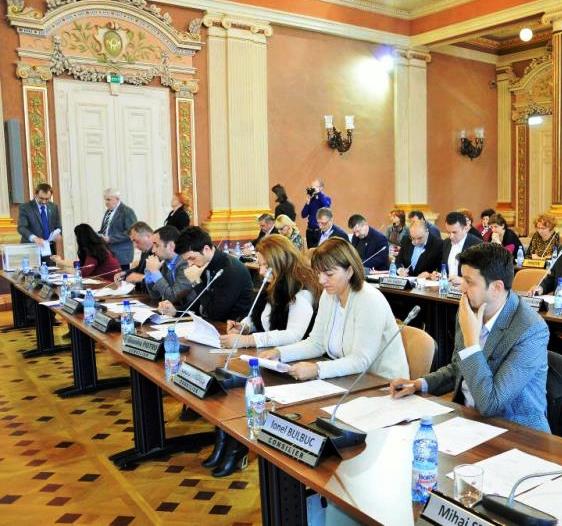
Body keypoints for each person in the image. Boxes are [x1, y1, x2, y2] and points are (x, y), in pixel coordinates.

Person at [390, 243, 550, 433]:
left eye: (469, 282)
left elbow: (491, 404)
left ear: (496, 287)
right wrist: (419, 384)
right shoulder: (469, 309)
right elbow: (459, 368)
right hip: (468, 420)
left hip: (516, 432)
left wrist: (472, 342)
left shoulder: (531, 330)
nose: (462, 288)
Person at [203, 235, 321, 478]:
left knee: (242, 389)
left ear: (281, 263)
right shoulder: (272, 286)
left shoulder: (300, 293)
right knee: (228, 379)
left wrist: (249, 340)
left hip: (292, 365)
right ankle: (224, 440)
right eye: (260, 264)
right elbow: (260, 316)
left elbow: (293, 335)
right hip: (269, 360)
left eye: (266, 265)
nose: (261, 271)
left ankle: (237, 448)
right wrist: (244, 326)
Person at [260, 238, 409, 381]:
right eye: (319, 273)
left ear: (349, 271)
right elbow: (316, 343)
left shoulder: (369, 299)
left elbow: (361, 360)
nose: (321, 280)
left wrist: (317, 369)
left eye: (329, 274)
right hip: (350, 378)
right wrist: (279, 353)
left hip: (383, 383)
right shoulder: (329, 295)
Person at [160, 227, 254, 322]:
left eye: (192, 258)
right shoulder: (205, 262)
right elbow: (201, 302)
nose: (190, 264)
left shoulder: (231, 270)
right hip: (211, 323)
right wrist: (176, 311)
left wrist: (196, 282)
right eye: (187, 260)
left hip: (230, 326)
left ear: (206, 249)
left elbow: (215, 314)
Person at [419, 211, 481, 285]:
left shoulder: (477, 245)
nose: (451, 236)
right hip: (447, 287)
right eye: (448, 232)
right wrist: (438, 275)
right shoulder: (446, 243)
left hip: (466, 289)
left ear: (465, 228)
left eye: (454, 232)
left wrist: (463, 280)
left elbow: (482, 277)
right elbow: (443, 268)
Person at [51, 223, 120, 279]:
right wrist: (60, 261)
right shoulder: (98, 247)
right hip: (107, 281)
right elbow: (81, 264)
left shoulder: (94, 251)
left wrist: (65, 271)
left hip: (110, 284)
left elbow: (83, 273)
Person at [145, 225, 192, 305]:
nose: (153, 250)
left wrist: (155, 272)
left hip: (188, 310)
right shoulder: (165, 262)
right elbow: (155, 295)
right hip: (174, 310)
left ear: (171, 246)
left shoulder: (186, 263)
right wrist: (149, 273)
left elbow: (173, 297)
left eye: (157, 245)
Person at [17, 182, 62, 260]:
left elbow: (58, 226)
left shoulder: (53, 207)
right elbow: (21, 227)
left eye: (47, 199)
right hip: (31, 248)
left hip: (49, 249)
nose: (44, 201)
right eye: (41, 198)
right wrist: (34, 238)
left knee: (51, 268)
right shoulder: (25, 207)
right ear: (36, 194)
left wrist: (59, 233)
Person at [98, 188, 137, 270]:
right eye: (105, 200)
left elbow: (131, 232)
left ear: (117, 199)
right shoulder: (108, 212)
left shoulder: (127, 211)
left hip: (122, 254)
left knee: (122, 277)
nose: (106, 202)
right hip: (109, 252)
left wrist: (110, 239)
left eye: (108, 199)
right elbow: (105, 229)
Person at [114, 221, 153, 293]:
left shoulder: (160, 252)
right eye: (132, 242)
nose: (134, 246)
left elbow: (162, 280)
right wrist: (125, 273)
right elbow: (140, 268)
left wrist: (142, 278)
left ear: (148, 236)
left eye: (136, 241)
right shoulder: (146, 250)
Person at [301, 179, 331, 248]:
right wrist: (307, 202)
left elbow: (326, 208)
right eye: (312, 186)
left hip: (320, 231)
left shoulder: (326, 198)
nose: (312, 188)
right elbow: (303, 215)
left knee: (320, 251)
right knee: (310, 252)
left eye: (315, 186)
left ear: (321, 188)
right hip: (310, 231)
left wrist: (319, 194)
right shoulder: (311, 199)